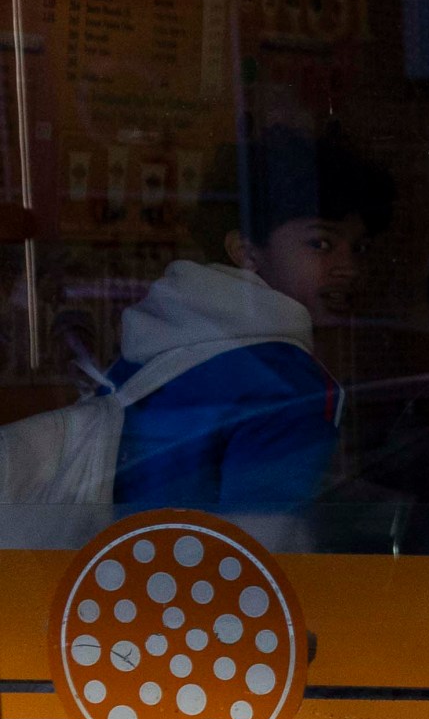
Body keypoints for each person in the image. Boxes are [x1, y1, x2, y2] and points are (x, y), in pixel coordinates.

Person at [112, 128, 390, 519]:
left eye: (358, 248)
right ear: (245, 251)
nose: (349, 268)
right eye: (321, 244)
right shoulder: (285, 383)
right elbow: (265, 548)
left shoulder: (154, 347)